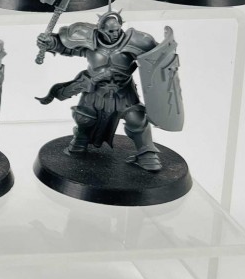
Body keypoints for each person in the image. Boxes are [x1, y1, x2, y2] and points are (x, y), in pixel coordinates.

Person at [36, 10, 163, 172]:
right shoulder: (89, 40)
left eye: (117, 29)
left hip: (123, 90)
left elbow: (158, 56)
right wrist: (50, 43)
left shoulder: (137, 41)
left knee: (136, 119)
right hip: (95, 88)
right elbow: (68, 48)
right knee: (84, 117)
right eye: (111, 31)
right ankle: (80, 140)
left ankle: (147, 153)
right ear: (101, 29)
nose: (115, 34)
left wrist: (163, 56)